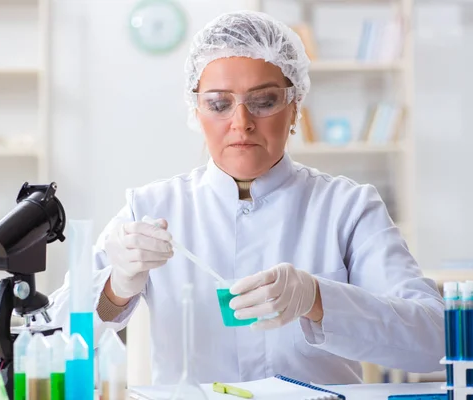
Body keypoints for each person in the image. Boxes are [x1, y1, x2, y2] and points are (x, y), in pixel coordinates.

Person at [48, 10, 444, 386]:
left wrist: (318, 298)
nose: (241, 122)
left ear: (295, 108)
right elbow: (51, 338)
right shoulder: (151, 209)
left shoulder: (347, 207)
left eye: (265, 101)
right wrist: (117, 286)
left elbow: (435, 342)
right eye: (219, 104)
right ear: (196, 111)